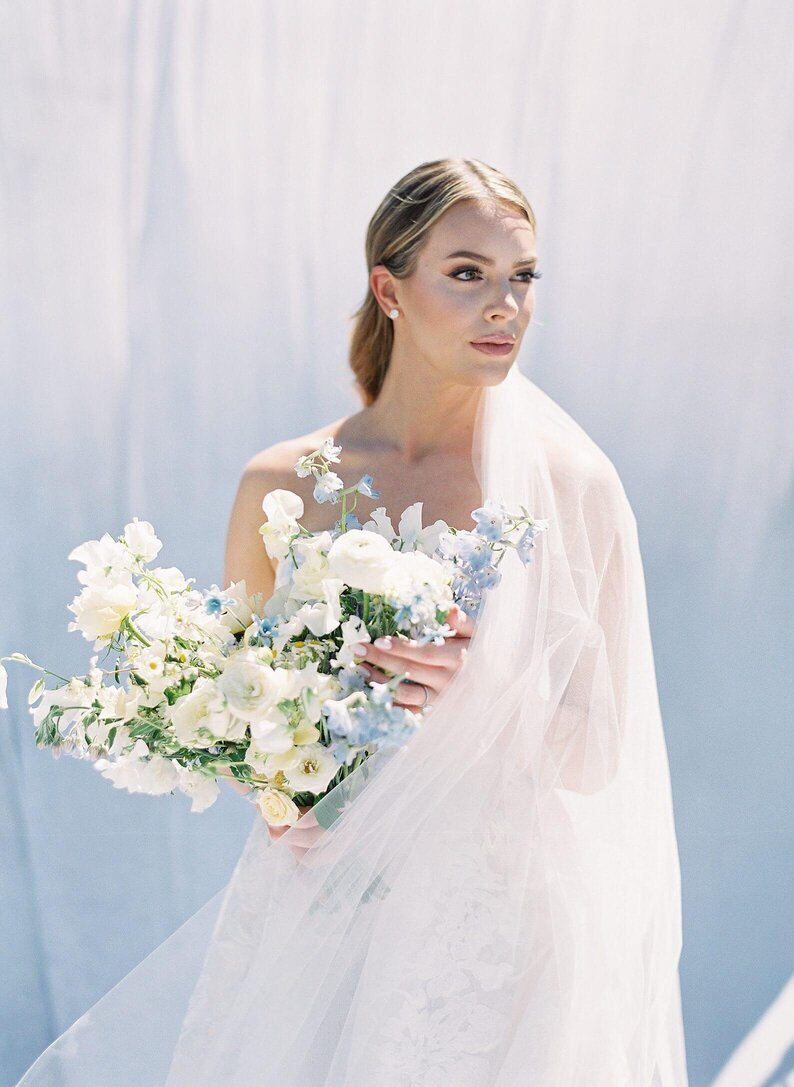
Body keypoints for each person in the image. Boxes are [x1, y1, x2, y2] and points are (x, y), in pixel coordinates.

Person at [16, 158, 689, 1085]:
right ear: (390, 288)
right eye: (468, 273)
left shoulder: (577, 490)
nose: (506, 305)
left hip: (491, 939)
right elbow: (243, 717)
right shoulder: (281, 484)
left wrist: (483, 690)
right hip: (320, 907)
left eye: (522, 277)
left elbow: (601, 754)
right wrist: (277, 795)